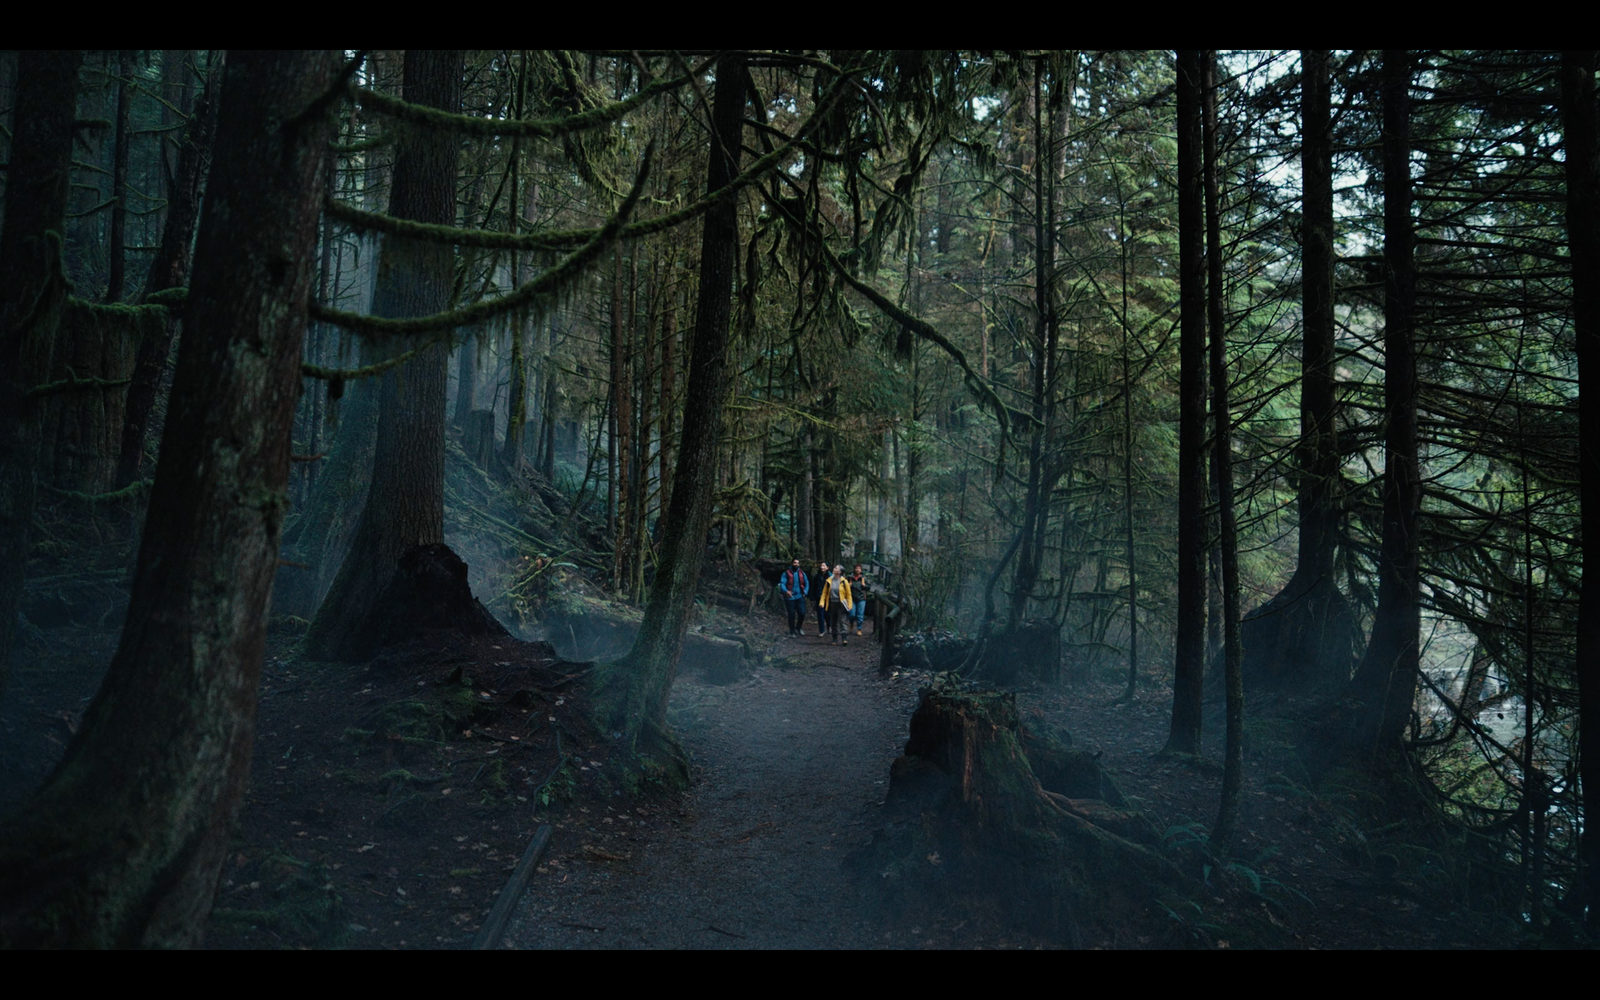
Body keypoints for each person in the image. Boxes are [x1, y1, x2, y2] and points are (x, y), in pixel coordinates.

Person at [819, 564, 854, 646]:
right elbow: (824, 592)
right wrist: (822, 602)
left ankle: (844, 638)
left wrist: (849, 604)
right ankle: (834, 638)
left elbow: (848, 594)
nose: (834, 569)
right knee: (833, 621)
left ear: (840, 572)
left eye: (836, 568)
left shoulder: (844, 581)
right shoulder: (829, 580)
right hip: (832, 603)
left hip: (841, 604)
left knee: (842, 621)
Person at [778, 559, 809, 637]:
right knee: (791, 614)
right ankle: (792, 631)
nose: (796, 564)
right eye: (795, 563)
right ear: (792, 563)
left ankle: (798, 627)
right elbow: (782, 583)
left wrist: (805, 591)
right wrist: (786, 591)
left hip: (799, 596)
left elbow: (806, 583)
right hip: (790, 597)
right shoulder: (786, 573)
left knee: (802, 613)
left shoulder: (802, 573)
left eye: (798, 563)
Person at [848, 564, 868, 636]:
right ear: (854, 569)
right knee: (852, 614)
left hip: (861, 598)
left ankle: (859, 629)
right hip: (852, 598)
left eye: (859, 569)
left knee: (860, 615)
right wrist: (848, 585)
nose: (857, 570)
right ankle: (851, 625)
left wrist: (865, 585)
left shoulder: (863, 578)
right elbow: (843, 586)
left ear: (861, 570)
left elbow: (869, 587)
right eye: (856, 568)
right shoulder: (849, 577)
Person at [814, 561, 830, 635]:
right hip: (819, 597)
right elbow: (813, 586)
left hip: (829, 598)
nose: (822, 567)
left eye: (824, 566)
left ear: (827, 567)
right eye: (821, 566)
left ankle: (829, 627)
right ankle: (821, 630)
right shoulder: (817, 576)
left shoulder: (831, 576)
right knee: (820, 614)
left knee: (828, 614)